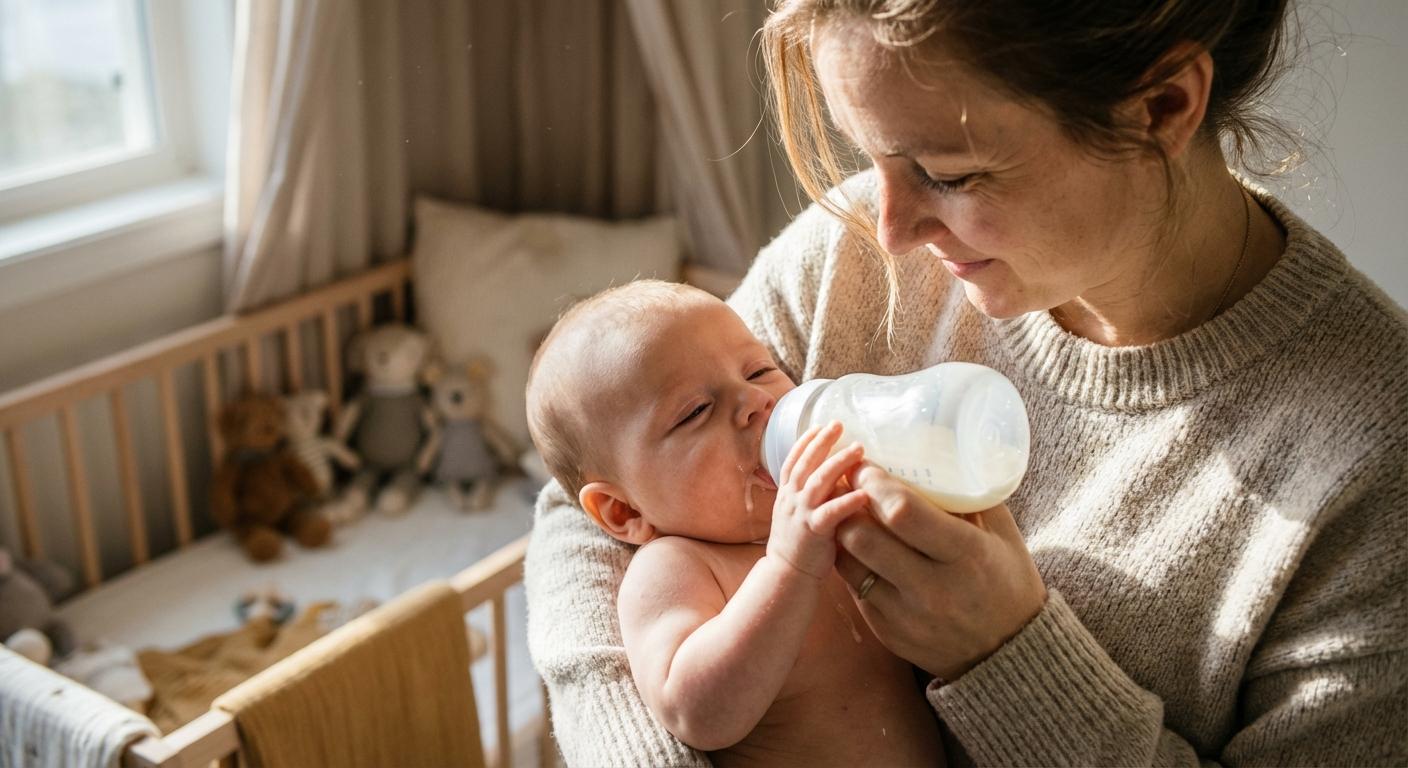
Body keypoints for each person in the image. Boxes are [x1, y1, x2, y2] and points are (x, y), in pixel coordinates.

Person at [524, 1, 1408, 765]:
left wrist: (1008, 658)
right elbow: (590, 501)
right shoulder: (850, 260)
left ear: (1162, 105)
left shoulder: (1373, 455)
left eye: (948, 174)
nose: (891, 228)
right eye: (869, 156)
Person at [525, 280, 945, 766]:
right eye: (695, 412)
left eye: (760, 369)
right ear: (625, 511)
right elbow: (696, 713)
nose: (754, 402)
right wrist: (788, 566)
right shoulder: (675, 569)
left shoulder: (837, 510)